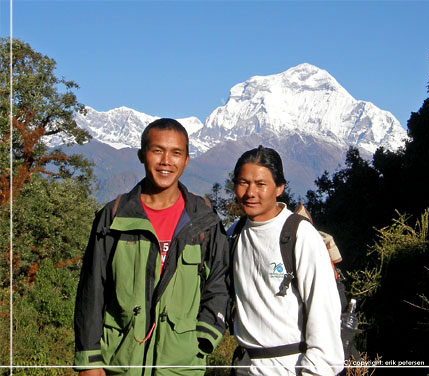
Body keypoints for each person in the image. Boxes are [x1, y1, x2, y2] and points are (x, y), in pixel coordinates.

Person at [74, 118, 230, 376]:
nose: (166, 161)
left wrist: (204, 337)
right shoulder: (114, 217)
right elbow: (92, 291)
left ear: (187, 160)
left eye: (176, 153)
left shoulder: (204, 220)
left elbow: (220, 282)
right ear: (141, 155)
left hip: (181, 366)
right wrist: (89, 361)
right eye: (157, 150)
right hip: (120, 363)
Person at [229, 146, 344, 375]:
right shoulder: (235, 233)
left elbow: (323, 313)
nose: (250, 192)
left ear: (279, 188)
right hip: (245, 366)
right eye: (243, 182)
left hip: (290, 367)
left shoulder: (299, 235)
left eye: (261, 184)